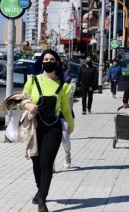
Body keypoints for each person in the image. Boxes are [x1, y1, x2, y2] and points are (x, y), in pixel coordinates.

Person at [22, 49, 74, 212]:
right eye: (46, 59)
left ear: (57, 62)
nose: (49, 61)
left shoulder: (63, 86)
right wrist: (27, 104)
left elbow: (65, 108)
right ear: (42, 62)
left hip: (54, 128)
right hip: (35, 128)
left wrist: (71, 124)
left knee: (47, 163)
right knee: (36, 162)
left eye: (52, 59)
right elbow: (20, 99)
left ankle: (42, 200)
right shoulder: (33, 80)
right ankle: (40, 189)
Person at [61, 60, 73, 169]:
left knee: (65, 139)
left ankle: (67, 153)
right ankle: (51, 162)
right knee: (49, 141)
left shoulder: (70, 81)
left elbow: (70, 98)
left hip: (65, 114)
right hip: (51, 115)